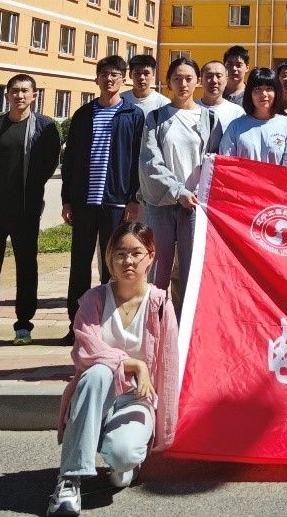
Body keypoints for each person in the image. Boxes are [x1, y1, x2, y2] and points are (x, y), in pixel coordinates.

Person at [48, 222, 180, 517]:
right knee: (97, 372)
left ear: (151, 256)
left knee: (123, 455)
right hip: (95, 397)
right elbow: (86, 352)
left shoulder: (160, 304)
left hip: (136, 399)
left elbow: (169, 370)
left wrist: (163, 431)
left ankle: (123, 461)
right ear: (109, 258)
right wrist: (134, 364)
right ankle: (69, 480)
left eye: (136, 253)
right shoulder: (93, 300)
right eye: (120, 254)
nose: (128, 261)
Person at [0, 73, 61, 344]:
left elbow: (49, 165)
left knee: (26, 267)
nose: (20, 95)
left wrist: (30, 190)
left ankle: (23, 326)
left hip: (25, 209)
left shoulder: (45, 127)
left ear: (34, 95)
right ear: (6, 95)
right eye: (14, 91)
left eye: (25, 91)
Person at [60, 56, 146, 336]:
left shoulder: (133, 115)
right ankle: (78, 325)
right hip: (84, 202)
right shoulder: (84, 114)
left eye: (115, 74)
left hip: (116, 203)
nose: (109, 79)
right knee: (79, 264)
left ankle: (111, 326)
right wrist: (67, 199)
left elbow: (138, 160)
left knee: (115, 265)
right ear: (96, 78)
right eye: (104, 74)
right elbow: (70, 160)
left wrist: (134, 198)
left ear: (123, 79)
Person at [138, 58, 214, 310]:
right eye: (177, 79)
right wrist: (178, 191)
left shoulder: (209, 119)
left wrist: (195, 194)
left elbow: (215, 161)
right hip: (161, 205)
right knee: (156, 272)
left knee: (192, 273)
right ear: (168, 82)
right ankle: (155, 323)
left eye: (188, 78)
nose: (183, 84)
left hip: (195, 206)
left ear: (198, 81)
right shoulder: (156, 118)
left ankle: (185, 326)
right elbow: (150, 162)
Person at [220, 68, 287, 165]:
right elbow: (226, 163)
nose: (264, 94)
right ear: (250, 93)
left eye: (269, 89)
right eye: (258, 89)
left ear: (277, 92)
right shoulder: (235, 126)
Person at [197, 60, 245, 135]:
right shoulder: (191, 110)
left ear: (226, 80)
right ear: (201, 80)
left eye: (219, 76)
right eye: (209, 76)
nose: (214, 80)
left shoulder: (237, 113)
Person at [127, 54, 168, 119]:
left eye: (146, 73)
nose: (141, 77)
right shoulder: (121, 100)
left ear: (153, 74)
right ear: (130, 74)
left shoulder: (163, 103)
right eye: (137, 73)